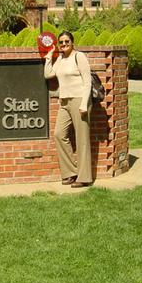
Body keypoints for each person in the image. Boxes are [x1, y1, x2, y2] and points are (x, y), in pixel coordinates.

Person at [44, 31, 93, 188]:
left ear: (72, 42)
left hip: (79, 100)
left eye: (66, 41)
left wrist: (84, 104)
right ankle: (71, 172)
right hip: (64, 102)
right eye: (61, 42)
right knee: (59, 134)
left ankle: (84, 177)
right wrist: (49, 56)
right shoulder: (60, 58)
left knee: (82, 139)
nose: (64, 44)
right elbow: (48, 74)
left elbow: (87, 83)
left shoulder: (79, 57)